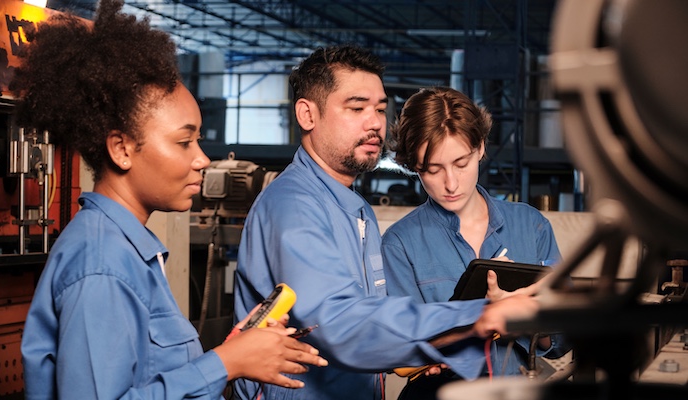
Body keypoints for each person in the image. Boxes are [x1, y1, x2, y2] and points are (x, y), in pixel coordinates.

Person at [15, 1, 326, 399]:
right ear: (122, 148)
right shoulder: (102, 266)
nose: (201, 159)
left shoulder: (127, 251)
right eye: (184, 142)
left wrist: (234, 354)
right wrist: (226, 363)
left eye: (198, 140)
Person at [232, 44, 542, 400]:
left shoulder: (355, 208)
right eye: (356, 107)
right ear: (307, 115)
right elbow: (344, 325)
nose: (375, 121)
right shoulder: (295, 206)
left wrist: (432, 347)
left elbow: (372, 322)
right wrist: (477, 316)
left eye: (380, 108)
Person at [381, 86, 568, 399]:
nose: (451, 184)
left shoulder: (531, 226)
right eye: (433, 169)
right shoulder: (400, 244)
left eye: (461, 163)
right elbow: (399, 350)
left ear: (480, 147)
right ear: (414, 166)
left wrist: (525, 320)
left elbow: (563, 339)